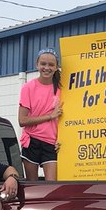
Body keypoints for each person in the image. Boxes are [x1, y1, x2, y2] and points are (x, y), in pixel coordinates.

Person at [18, 49, 62, 181]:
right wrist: (50, 116)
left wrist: (63, 139)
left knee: (51, 187)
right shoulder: (28, 87)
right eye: (43, 64)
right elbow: (22, 120)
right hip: (31, 141)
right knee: (33, 186)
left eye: (51, 65)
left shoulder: (62, 89)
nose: (46, 68)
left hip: (52, 143)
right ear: (37, 65)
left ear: (56, 67)